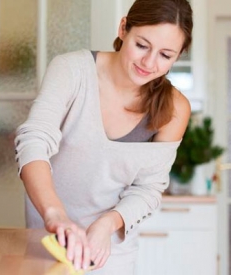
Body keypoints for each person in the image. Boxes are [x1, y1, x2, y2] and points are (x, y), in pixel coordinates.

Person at [14, 0, 193, 274]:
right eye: (142, 45)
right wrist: (55, 215)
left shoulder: (175, 108)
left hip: (110, 253)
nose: (149, 62)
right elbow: (33, 141)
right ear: (123, 29)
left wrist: (107, 223)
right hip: (50, 243)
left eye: (165, 55)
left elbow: (148, 188)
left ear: (177, 56)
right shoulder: (72, 70)